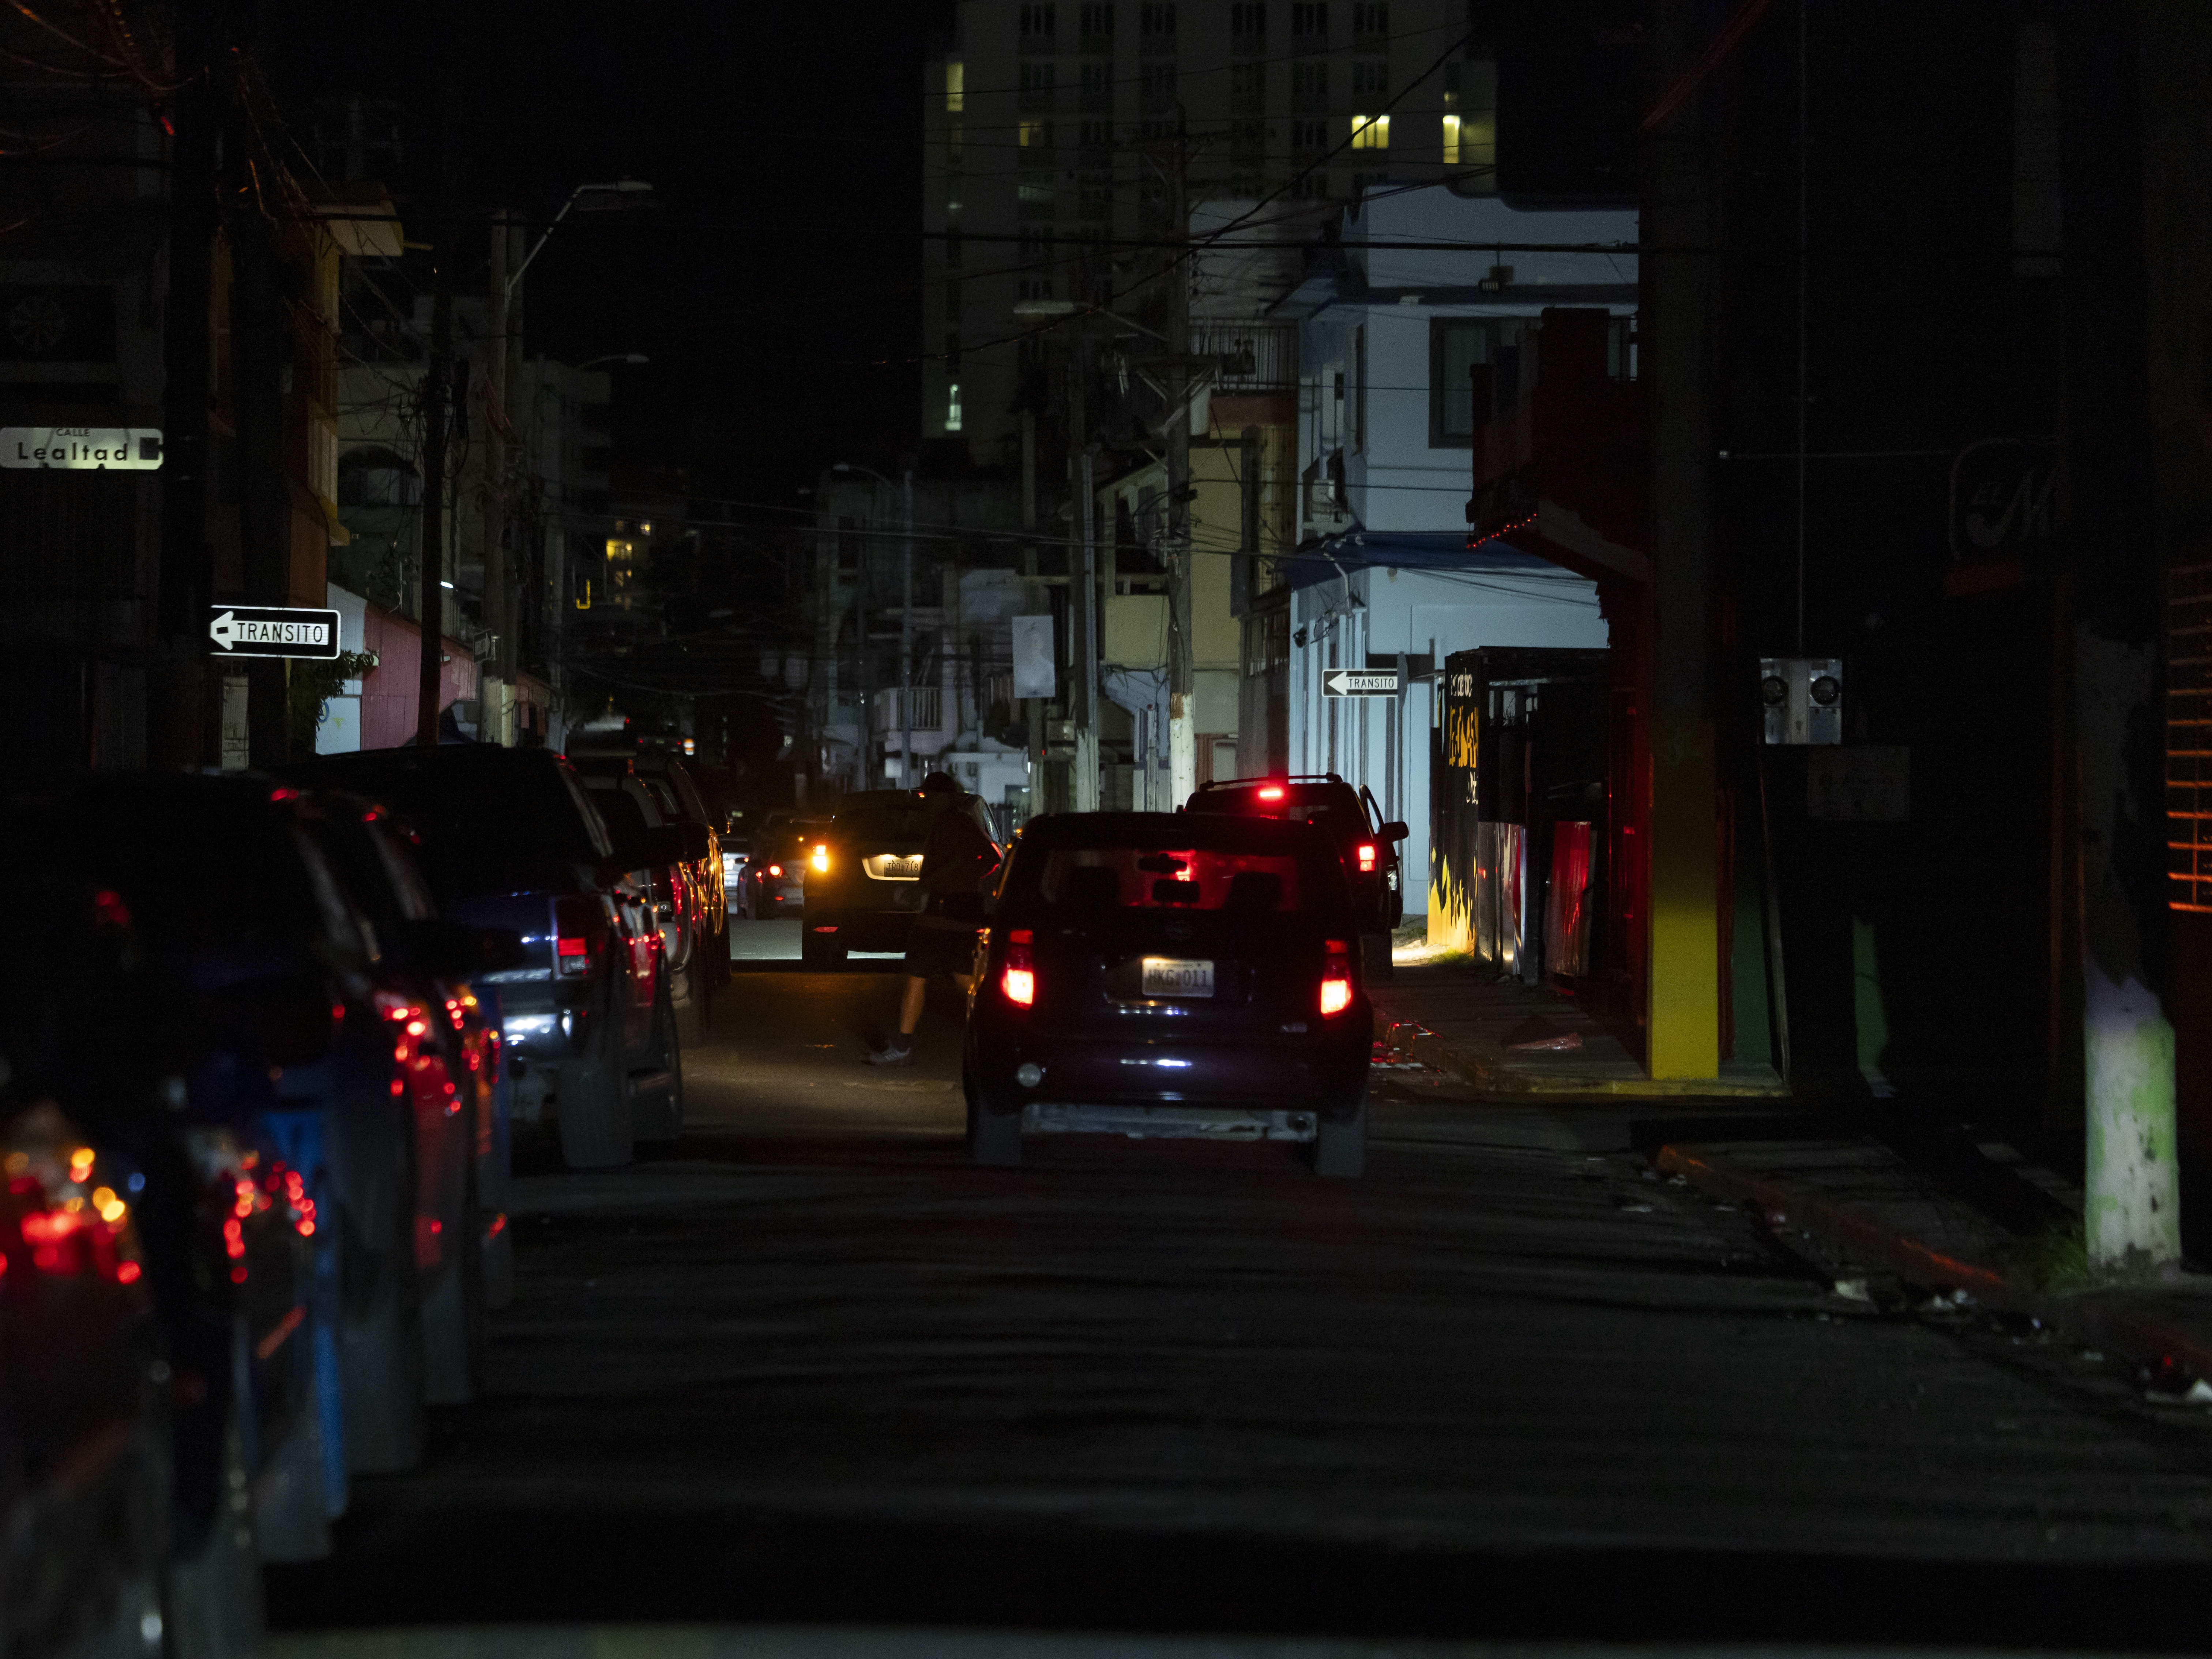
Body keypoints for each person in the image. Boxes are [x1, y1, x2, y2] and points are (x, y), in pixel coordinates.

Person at [868, 772, 1000, 1066]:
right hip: (954, 911)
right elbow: (989, 857)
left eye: (928, 797)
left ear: (944, 798)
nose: (924, 802)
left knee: (926, 975)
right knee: (956, 977)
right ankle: (994, 1039)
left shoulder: (954, 822)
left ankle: (905, 1045)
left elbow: (988, 857)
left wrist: (946, 880)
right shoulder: (953, 822)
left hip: (946, 911)